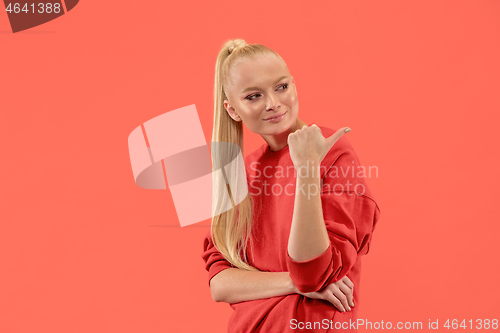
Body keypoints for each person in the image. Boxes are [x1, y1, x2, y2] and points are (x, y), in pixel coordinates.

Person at [201, 38, 381, 333]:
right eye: (253, 96)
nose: (273, 103)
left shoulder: (330, 151)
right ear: (232, 110)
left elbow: (314, 273)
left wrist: (307, 169)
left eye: (281, 87)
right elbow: (220, 284)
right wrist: (292, 282)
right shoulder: (240, 174)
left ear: (294, 86)